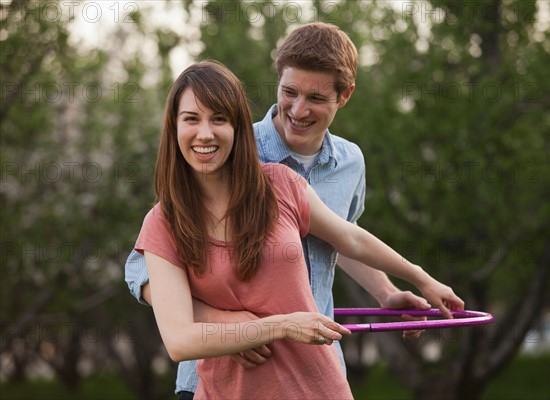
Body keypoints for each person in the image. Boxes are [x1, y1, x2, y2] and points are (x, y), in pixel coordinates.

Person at [125, 22, 450, 399]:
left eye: (315, 98)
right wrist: (235, 324)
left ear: (344, 96)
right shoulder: (223, 151)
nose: (298, 110)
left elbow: (345, 239)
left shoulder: (341, 165)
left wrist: (390, 290)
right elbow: (141, 270)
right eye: (289, 92)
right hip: (222, 372)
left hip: (314, 365)